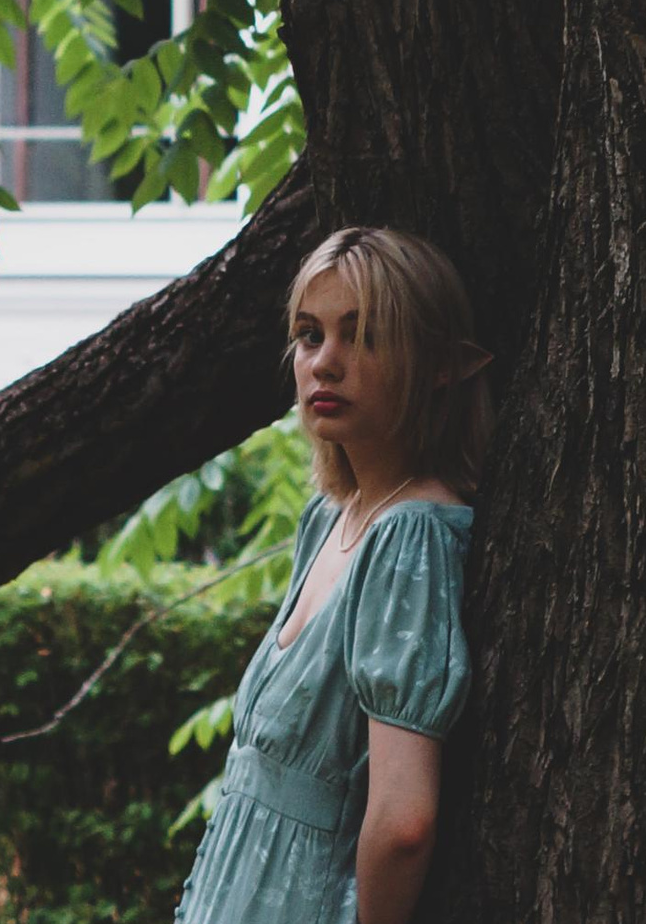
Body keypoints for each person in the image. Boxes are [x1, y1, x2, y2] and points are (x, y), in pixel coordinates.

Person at [173, 225, 492, 924]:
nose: (326, 362)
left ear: (442, 365)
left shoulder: (410, 538)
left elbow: (404, 822)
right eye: (310, 335)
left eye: (365, 335)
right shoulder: (332, 518)